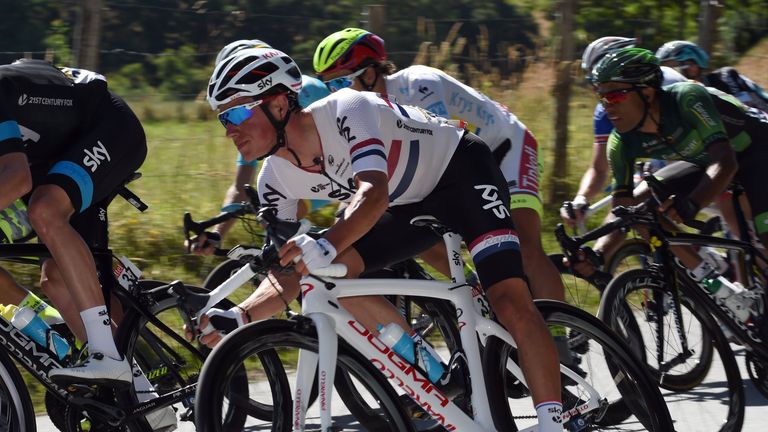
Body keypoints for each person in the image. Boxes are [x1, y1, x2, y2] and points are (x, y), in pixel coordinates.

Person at [199, 46, 564, 430]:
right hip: (408, 205)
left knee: (508, 299)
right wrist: (241, 315)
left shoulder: (347, 108)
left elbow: (373, 193)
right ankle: (434, 371)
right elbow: (288, 268)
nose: (229, 129)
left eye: (236, 113)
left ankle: (552, 422)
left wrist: (325, 244)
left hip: (463, 173)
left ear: (277, 104)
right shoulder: (273, 180)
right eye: (223, 118)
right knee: (328, 274)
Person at [312, 27, 565, 308]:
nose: (334, 95)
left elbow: (444, 143)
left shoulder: (418, 83)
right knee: (418, 227)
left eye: (340, 83)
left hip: (506, 146)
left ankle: (559, 333)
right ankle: (474, 289)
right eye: (328, 87)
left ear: (369, 74)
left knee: (525, 247)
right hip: (465, 163)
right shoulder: (362, 117)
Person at [591, 47, 768, 320]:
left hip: (757, 151)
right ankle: (722, 290)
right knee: (637, 211)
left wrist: (692, 203)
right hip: (707, 160)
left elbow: (726, 162)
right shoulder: (621, 142)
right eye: (601, 96)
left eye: (614, 94)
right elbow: (621, 210)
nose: (607, 105)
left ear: (646, 91)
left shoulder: (687, 98)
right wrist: (596, 254)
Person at [190, 39, 332, 255]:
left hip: (338, 172)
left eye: (238, 109)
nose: (230, 130)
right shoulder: (252, 124)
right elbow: (240, 186)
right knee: (276, 239)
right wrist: (218, 233)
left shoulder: (303, 90)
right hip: (313, 178)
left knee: (283, 242)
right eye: (227, 116)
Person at [560, 36, 687, 272]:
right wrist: (581, 199)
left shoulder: (663, 81)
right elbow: (599, 168)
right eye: (594, 81)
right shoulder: (605, 110)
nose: (598, 88)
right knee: (631, 208)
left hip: (693, 150)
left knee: (638, 203)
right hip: (662, 157)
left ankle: (701, 266)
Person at [655, 40, 768, 112]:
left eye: (673, 67)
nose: (668, 75)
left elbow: (754, 106)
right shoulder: (680, 102)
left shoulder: (725, 77)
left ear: (695, 64)